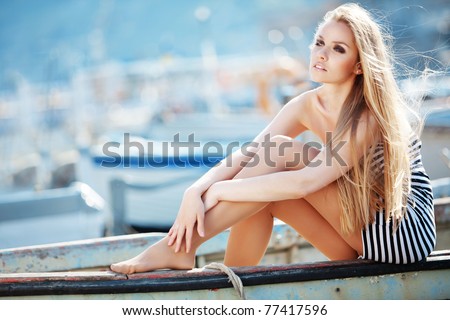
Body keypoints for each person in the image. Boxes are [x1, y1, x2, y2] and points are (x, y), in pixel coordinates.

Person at [110, 3, 436, 274]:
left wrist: (220, 190)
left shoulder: (367, 115)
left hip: (400, 234)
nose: (321, 54)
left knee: (283, 154)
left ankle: (176, 248)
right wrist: (195, 189)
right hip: (356, 238)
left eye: (338, 49)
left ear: (360, 65)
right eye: (319, 42)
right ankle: (228, 287)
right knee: (266, 191)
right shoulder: (308, 104)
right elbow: (251, 154)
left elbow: (304, 183)